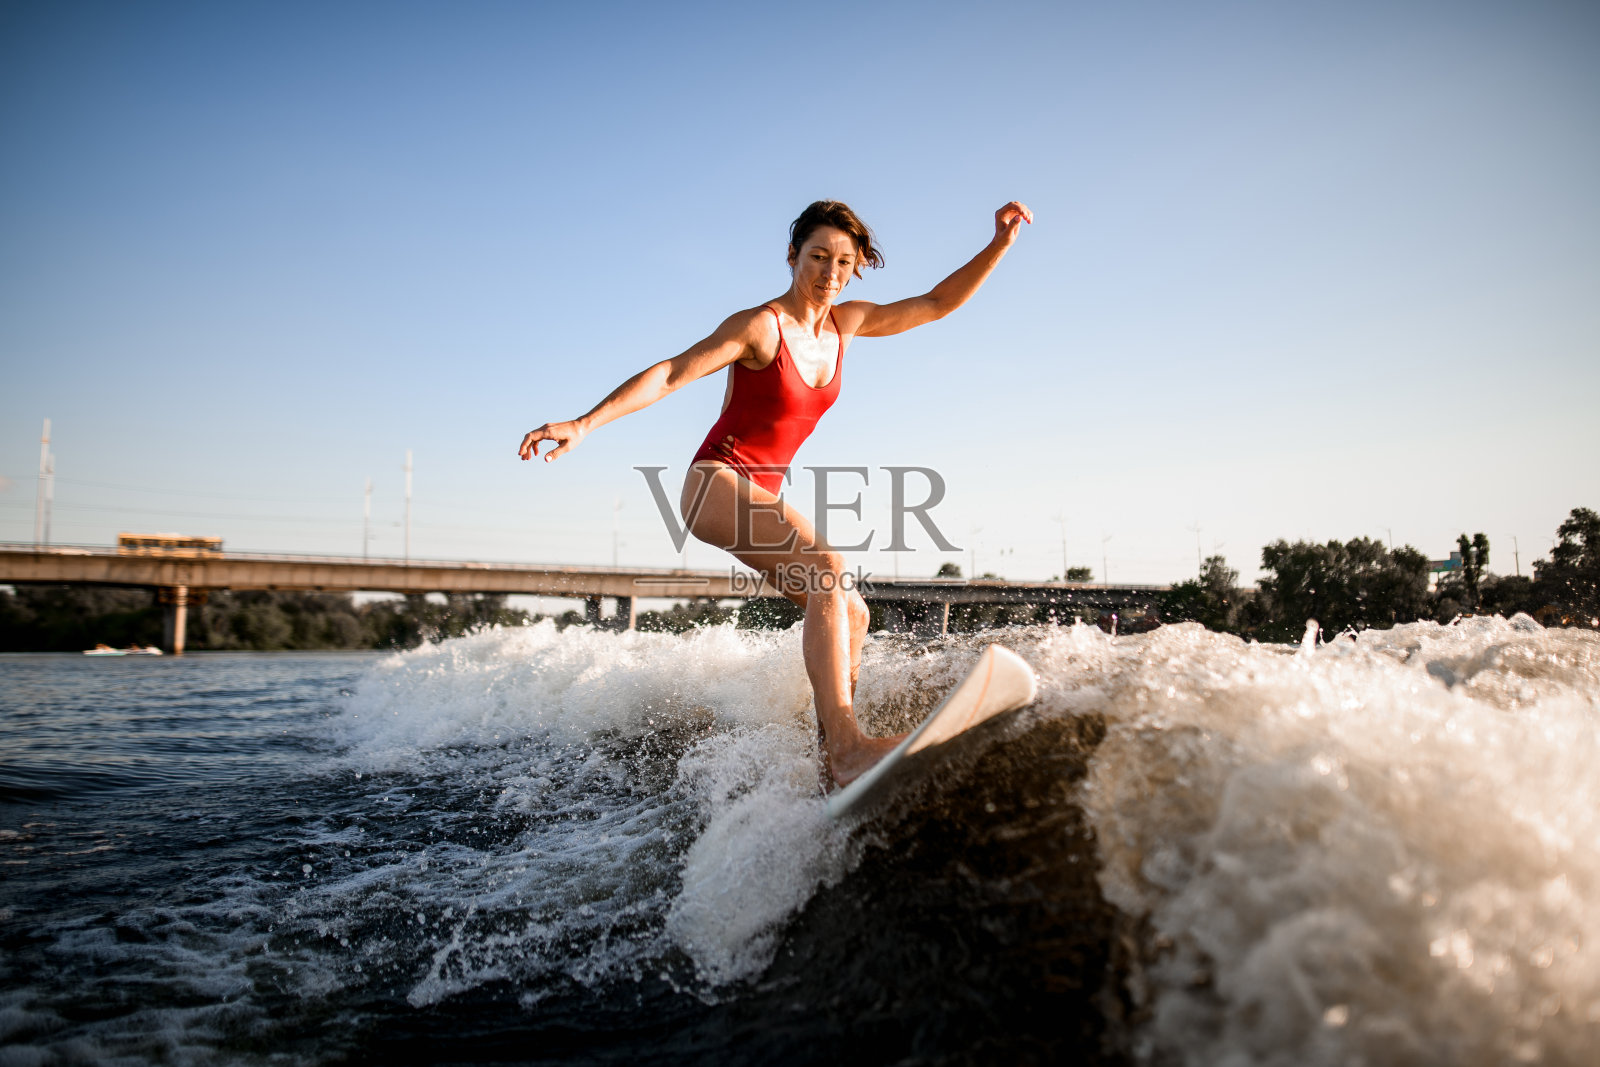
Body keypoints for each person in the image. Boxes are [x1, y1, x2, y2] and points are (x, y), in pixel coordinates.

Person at [519, 199, 1032, 786]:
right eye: (817, 257)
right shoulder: (759, 327)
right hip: (716, 480)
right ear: (792, 257)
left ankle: (828, 767)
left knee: (854, 613)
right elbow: (671, 372)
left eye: (844, 261)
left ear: (857, 267)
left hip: (760, 491)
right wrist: (583, 424)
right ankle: (848, 748)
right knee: (829, 569)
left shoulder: (847, 324)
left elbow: (936, 304)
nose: (829, 273)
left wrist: (999, 245)